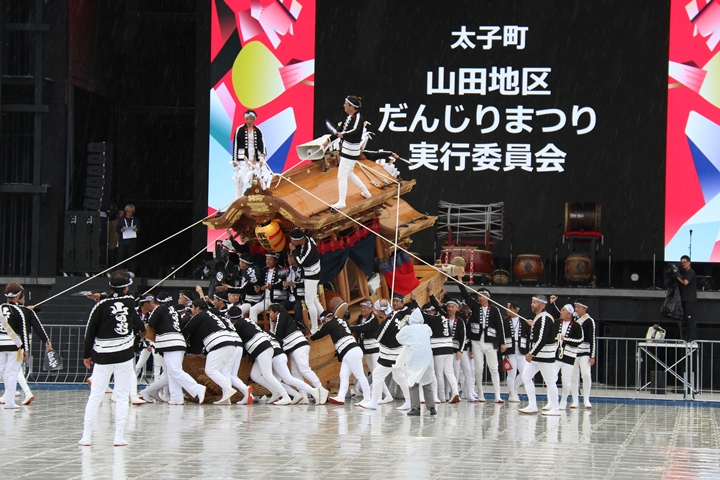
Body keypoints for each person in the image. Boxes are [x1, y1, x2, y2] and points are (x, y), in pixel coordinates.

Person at [79, 271, 146, 446]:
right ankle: (118, 437)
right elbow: (139, 325)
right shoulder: (130, 302)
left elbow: (90, 332)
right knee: (122, 397)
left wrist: (87, 355)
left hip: (102, 356)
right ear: (126, 287)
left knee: (96, 396)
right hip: (124, 354)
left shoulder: (99, 307)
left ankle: (86, 436)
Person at [142, 292, 206, 405]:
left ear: (157, 302)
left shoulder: (159, 309)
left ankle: (197, 388)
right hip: (178, 342)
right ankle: (176, 397)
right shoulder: (175, 311)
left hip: (170, 343)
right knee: (172, 373)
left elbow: (151, 323)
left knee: (175, 370)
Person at [1, 283, 53, 409]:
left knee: (3, 371)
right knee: (13, 373)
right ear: (19, 295)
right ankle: (9, 401)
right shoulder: (20, 311)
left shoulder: (0, 308)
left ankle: (8, 395)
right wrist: (26, 349)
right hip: (14, 346)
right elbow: (23, 331)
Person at [358, 295, 413, 410]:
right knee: (400, 377)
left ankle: (374, 401)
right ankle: (409, 400)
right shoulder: (395, 314)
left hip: (391, 355)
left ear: (380, 311)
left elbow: (377, 338)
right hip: (398, 352)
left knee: (377, 375)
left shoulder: (386, 323)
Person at [268, 303, 328, 404]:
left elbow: (277, 334)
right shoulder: (282, 318)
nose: (270, 315)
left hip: (298, 345)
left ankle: (320, 389)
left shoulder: (281, 315)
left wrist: (272, 327)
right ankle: (303, 396)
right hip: (292, 348)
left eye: (270, 312)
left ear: (276, 312)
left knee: (304, 369)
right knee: (295, 373)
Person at [182, 300, 238, 405]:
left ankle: (227, 388)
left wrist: (182, 344)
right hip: (230, 343)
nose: (192, 311)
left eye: (193, 308)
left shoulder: (201, 315)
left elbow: (188, 329)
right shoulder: (210, 316)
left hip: (219, 343)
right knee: (224, 372)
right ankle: (227, 399)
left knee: (210, 370)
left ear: (197, 308)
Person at [458, 284, 507, 403]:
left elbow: (500, 326)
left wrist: (502, 343)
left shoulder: (494, 310)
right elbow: (466, 296)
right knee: (479, 369)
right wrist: (460, 283)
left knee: (493, 368)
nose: (480, 298)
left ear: (488, 297)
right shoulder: (475, 307)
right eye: (479, 296)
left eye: (483, 296)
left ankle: (497, 395)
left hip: (490, 342)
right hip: (477, 342)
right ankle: (480, 393)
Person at [310, 310, 371, 405]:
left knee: (359, 375)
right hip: (350, 351)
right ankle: (341, 397)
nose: (323, 324)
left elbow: (318, 335)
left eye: (323, 322)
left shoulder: (329, 324)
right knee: (343, 375)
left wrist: (310, 336)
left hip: (350, 351)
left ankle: (367, 398)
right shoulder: (343, 321)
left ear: (326, 319)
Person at [518, 295, 560, 416]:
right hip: (538, 356)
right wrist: (533, 325)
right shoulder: (539, 318)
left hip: (545, 356)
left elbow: (542, 338)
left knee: (550, 381)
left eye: (534, 303)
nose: (532, 305)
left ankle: (555, 408)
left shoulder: (545, 318)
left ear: (542, 305)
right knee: (526, 376)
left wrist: (531, 353)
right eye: (532, 302)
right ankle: (532, 405)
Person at [329, 95, 372, 209]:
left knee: (342, 176)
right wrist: (328, 141)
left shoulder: (358, 118)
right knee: (349, 174)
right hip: (347, 150)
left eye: (346, 104)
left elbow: (355, 130)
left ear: (352, 107)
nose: (344, 105)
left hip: (351, 151)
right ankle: (366, 193)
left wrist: (343, 134)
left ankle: (342, 202)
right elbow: (339, 131)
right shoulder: (348, 117)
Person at [348, 299, 393, 403]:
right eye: (361, 307)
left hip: (374, 349)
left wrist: (350, 328)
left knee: (377, 373)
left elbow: (363, 328)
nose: (362, 310)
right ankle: (387, 395)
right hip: (366, 349)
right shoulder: (360, 318)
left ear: (371, 309)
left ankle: (381, 396)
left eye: (365, 308)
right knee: (374, 373)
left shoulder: (373, 319)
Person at [397, 309, 436, 416]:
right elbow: (430, 334)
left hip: (414, 359)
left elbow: (398, 338)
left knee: (413, 383)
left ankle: (415, 408)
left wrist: (408, 341)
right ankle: (432, 407)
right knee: (427, 382)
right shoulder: (426, 328)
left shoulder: (407, 329)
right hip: (427, 359)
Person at [548, 303, 583, 411]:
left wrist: (565, 339)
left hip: (569, 356)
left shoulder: (576, 326)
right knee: (551, 378)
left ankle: (564, 400)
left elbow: (579, 340)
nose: (561, 312)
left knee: (566, 381)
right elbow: (550, 334)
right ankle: (551, 401)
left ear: (569, 314)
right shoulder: (557, 323)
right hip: (556, 355)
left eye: (563, 310)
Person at [288, 228, 323, 333]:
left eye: (292, 240)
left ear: (297, 240)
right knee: (314, 299)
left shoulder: (309, 248)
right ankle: (326, 319)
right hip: (310, 272)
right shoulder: (307, 238)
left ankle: (315, 328)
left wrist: (294, 250)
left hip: (312, 275)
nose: (291, 242)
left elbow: (300, 262)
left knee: (309, 302)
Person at [232, 109, 273, 193]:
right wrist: (234, 160)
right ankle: (237, 198)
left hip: (255, 158)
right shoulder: (239, 130)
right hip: (243, 158)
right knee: (240, 179)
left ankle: (260, 194)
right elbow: (235, 145)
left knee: (259, 177)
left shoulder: (258, 131)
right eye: (247, 119)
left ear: (254, 119)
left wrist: (263, 154)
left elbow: (262, 143)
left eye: (250, 119)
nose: (248, 121)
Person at [571, 297, 596, 409]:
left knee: (586, 374)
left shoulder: (589, 321)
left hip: (585, 352)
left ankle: (586, 399)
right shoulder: (573, 319)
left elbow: (592, 339)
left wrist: (592, 355)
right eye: (575, 307)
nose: (576, 309)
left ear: (585, 308)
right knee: (573, 376)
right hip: (573, 351)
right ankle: (575, 400)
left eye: (578, 307)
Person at [504, 301, 531, 403]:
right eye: (507, 308)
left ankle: (515, 388)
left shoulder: (523, 321)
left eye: (510, 308)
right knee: (512, 373)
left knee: (525, 373)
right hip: (510, 350)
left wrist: (531, 325)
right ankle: (511, 394)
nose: (507, 310)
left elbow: (530, 335)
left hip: (521, 351)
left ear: (516, 310)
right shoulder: (505, 321)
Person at [249, 253, 287, 322]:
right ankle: (253, 327)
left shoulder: (282, 269)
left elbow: (280, 283)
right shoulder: (264, 270)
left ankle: (274, 329)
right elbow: (260, 283)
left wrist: (271, 286)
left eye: (270, 259)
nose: (268, 261)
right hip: (265, 299)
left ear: (276, 261)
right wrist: (258, 289)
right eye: (267, 259)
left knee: (272, 313)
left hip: (276, 299)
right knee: (253, 310)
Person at [676, 255, 697, 341]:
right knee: (686, 319)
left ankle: (692, 337)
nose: (683, 264)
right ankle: (688, 337)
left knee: (690, 318)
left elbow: (685, 282)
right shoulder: (685, 273)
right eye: (682, 263)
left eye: (685, 262)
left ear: (689, 263)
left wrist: (677, 276)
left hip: (690, 299)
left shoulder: (691, 272)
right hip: (685, 298)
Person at [116, 205, 139, 273]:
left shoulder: (135, 220)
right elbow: (117, 229)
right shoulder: (121, 220)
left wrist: (137, 229)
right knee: (120, 257)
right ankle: (119, 271)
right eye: (128, 211)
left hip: (131, 242)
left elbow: (139, 229)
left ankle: (132, 272)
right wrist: (120, 230)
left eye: (131, 212)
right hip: (123, 241)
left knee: (131, 258)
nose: (129, 213)